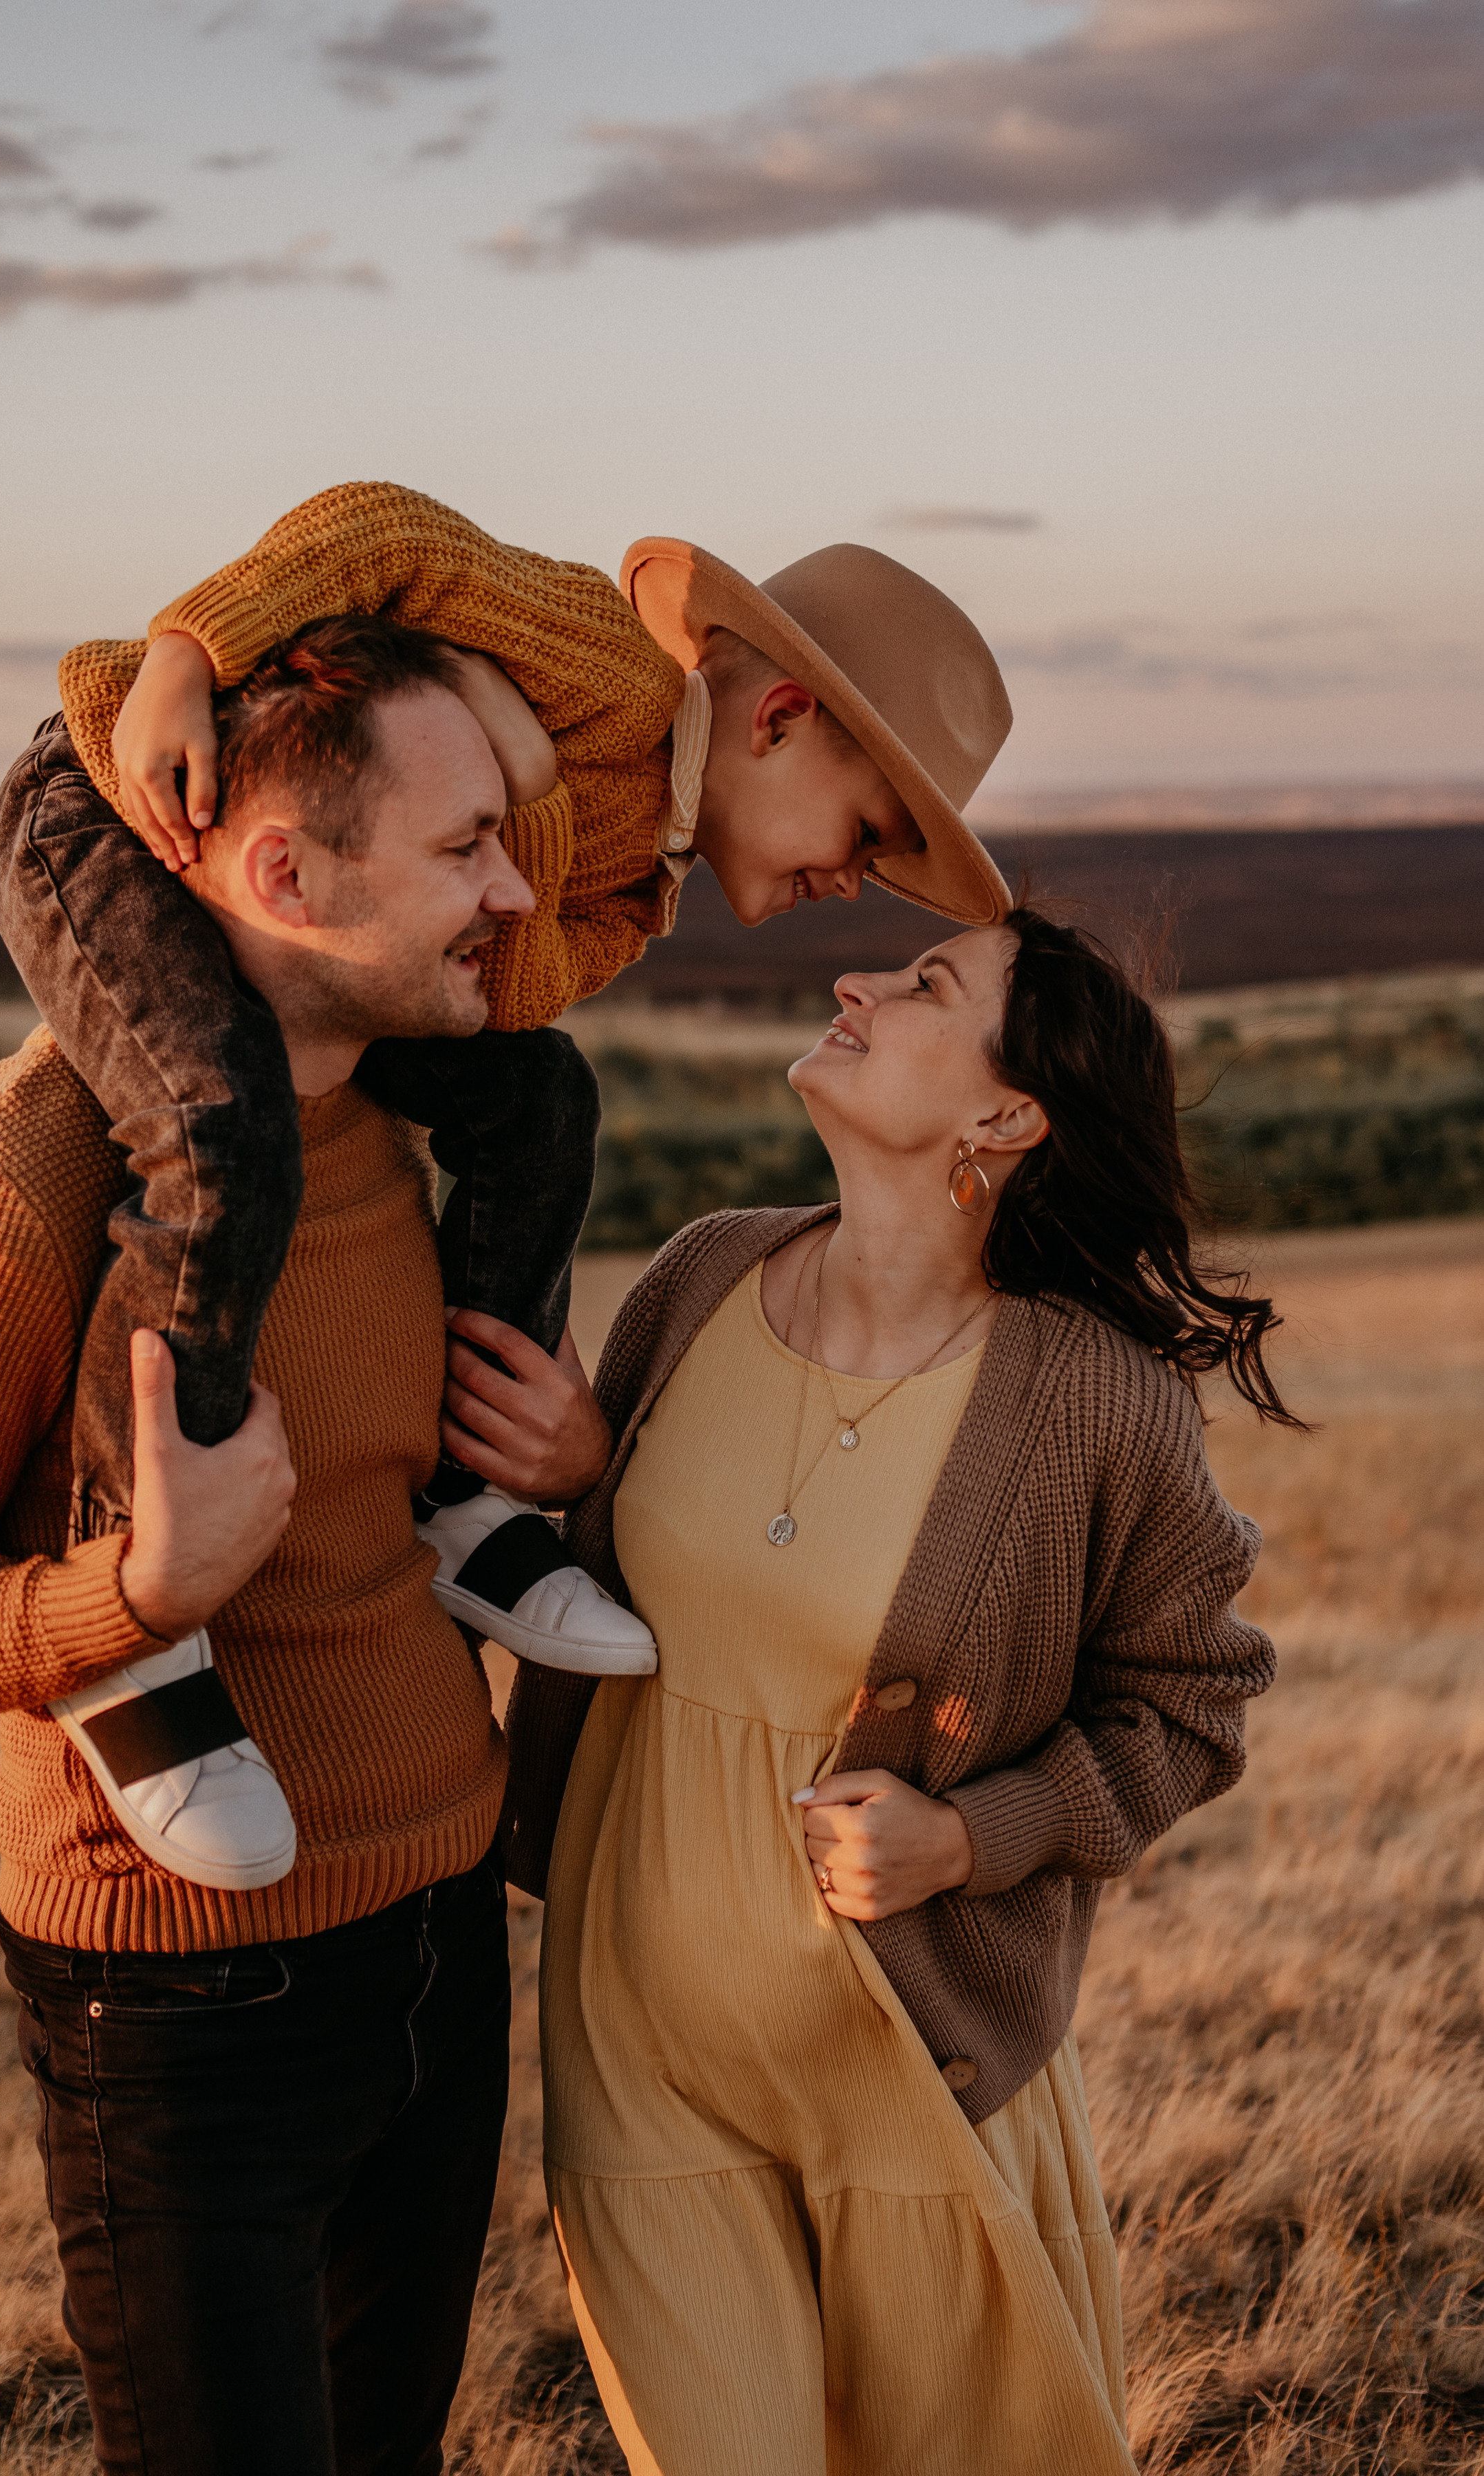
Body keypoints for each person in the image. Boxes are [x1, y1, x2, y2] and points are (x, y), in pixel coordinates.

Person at [0, 479, 1016, 1890]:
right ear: (776, 724)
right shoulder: (599, 665)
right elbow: (381, 532)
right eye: (869, 829)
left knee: (542, 1100)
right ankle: (137, 1621)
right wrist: (184, 657)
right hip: (118, 807)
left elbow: (470, 1001)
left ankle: (471, 1493)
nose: (860, 881)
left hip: (291, 912)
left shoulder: (632, 892)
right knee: (215, 1127)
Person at [0, 615, 572, 2476]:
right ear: (278, 873)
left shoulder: (418, 1124)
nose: (512, 892)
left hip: (437, 1933)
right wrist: (131, 1603)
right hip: (182, 1998)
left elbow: (383, 1503)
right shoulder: (22, 1194)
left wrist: (556, 1467)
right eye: (460, 850)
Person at [457, 887, 1291, 2470]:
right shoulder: (700, 1280)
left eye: (918, 982)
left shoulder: (1088, 1407)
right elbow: (642, 1591)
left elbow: (1190, 1704)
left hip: (907, 2079)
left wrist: (970, 1836)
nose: (850, 979)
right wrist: (588, 1471)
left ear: (1004, 1110)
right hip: (643, 2064)